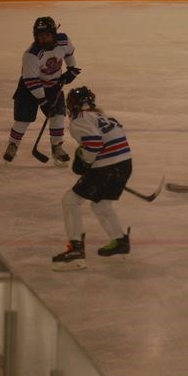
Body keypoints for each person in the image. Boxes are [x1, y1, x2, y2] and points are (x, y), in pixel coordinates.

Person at [52, 86, 131, 271]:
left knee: (70, 201)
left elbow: (94, 143)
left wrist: (84, 159)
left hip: (108, 166)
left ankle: (75, 251)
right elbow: (116, 137)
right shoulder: (105, 117)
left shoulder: (79, 120)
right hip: (124, 164)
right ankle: (120, 242)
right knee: (100, 204)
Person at [3, 17, 80, 166]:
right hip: (29, 89)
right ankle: (13, 144)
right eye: (39, 35)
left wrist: (71, 69)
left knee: (57, 116)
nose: (42, 38)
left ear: (53, 33)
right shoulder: (31, 54)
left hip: (53, 86)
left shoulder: (63, 40)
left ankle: (56, 146)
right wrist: (43, 101)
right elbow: (31, 81)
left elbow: (69, 54)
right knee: (22, 120)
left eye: (46, 34)